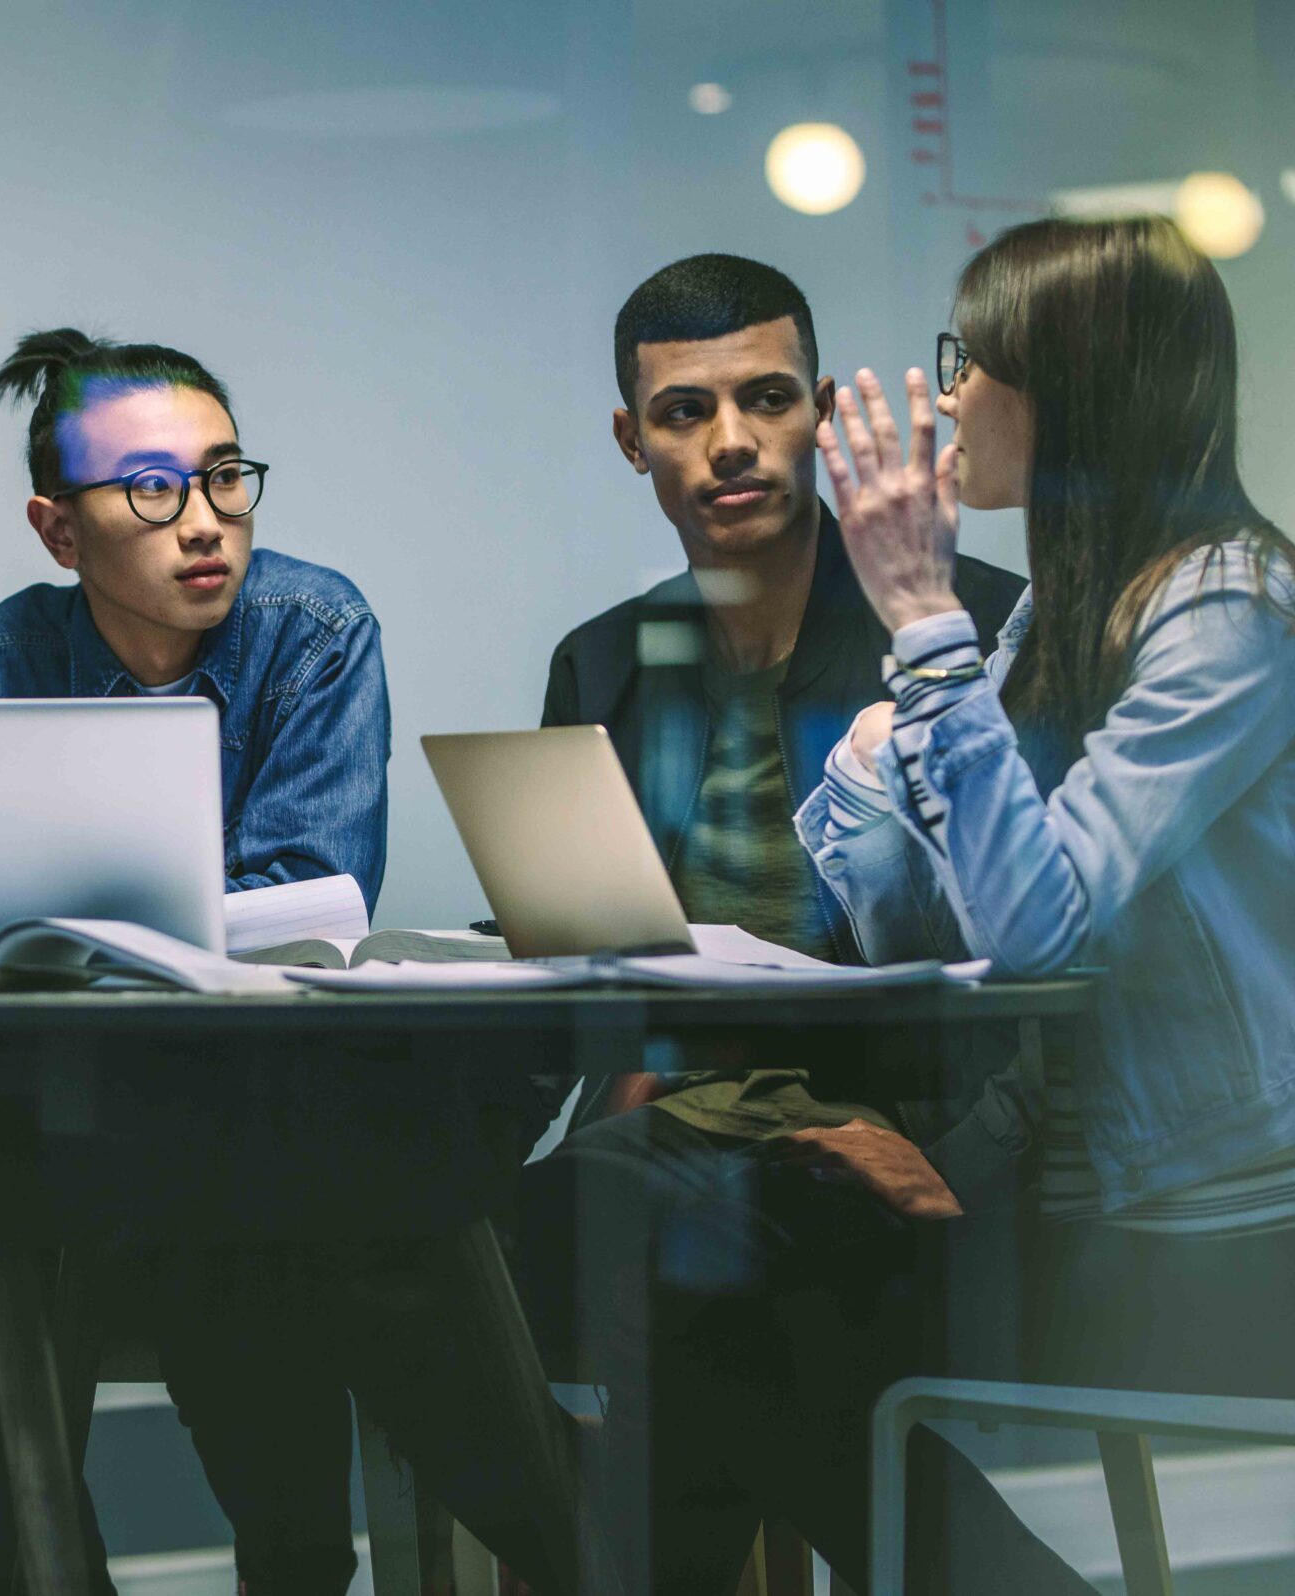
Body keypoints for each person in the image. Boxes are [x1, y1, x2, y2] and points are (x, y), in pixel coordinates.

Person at [514, 254, 1050, 1591]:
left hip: (904, 1147)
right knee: (472, 1262)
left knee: (686, 1304)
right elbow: (580, 964)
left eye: (764, 399)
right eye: (685, 411)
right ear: (631, 440)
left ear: (818, 411)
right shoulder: (604, 661)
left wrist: (965, 1152)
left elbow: (1069, 938)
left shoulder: (967, 622)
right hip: (672, 1157)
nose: (732, 441)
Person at [785, 212, 1295, 1589]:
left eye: (975, 360)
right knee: (725, 1293)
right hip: (1075, 1180)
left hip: (1221, 1223)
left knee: (776, 1343)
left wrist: (916, 621)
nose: (949, 395)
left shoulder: (1229, 608)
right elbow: (929, 937)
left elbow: (1029, 931)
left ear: (1069, 390)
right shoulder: (1063, 608)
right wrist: (878, 751)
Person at [0, 329, 400, 1596]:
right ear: (59, 532)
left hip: (247, 1138)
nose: (205, 522)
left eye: (226, 476)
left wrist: (58, 931)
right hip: (31, 1147)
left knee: (254, 1279)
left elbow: (311, 899)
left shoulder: (311, 631)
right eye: (153, 489)